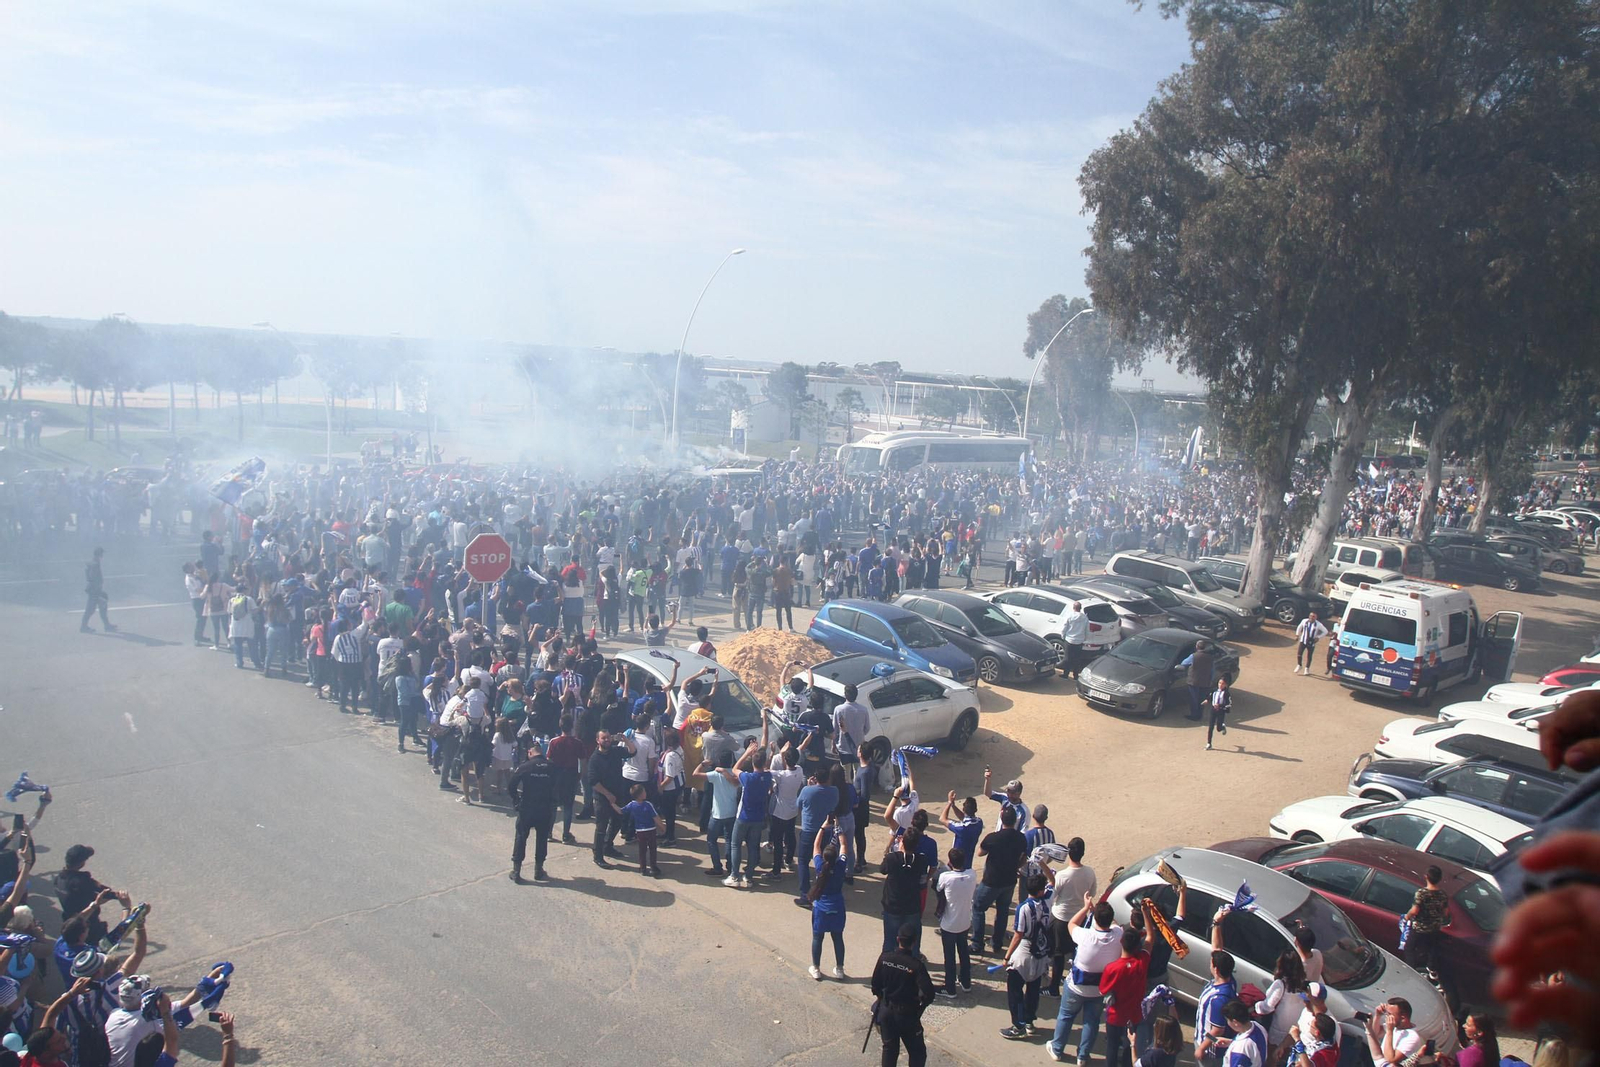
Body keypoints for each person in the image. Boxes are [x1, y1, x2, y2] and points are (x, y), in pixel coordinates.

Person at [1048, 893, 1123, 1064]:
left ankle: (1057, 1048)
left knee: (1066, 1016)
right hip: (1099, 989)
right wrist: (1098, 911)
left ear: (1095, 918)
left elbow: (1072, 923)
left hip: (1076, 986)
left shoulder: (1085, 935)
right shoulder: (1118, 935)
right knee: (1091, 1022)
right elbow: (1116, 925)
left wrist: (1086, 907)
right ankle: (1083, 1056)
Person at [870, 921, 936, 1067]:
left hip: (887, 1012)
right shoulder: (916, 965)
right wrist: (920, 1007)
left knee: (890, 1050)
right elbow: (929, 993)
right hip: (907, 1015)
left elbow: (875, 985)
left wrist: (882, 999)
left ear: (898, 939)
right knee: (918, 1053)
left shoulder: (885, 958)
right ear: (914, 942)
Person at [1000, 873, 1052, 1041]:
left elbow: (1018, 934)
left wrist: (1007, 957)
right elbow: (1053, 882)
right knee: (1033, 989)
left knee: (1015, 991)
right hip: (1041, 952)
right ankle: (1029, 1021)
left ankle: (1018, 1026)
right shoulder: (1048, 902)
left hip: (1024, 953)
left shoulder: (1023, 908)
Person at [970, 804, 1027, 957]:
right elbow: (1024, 858)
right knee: (1002, 912)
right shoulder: (1021, 838)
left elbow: (981, 852)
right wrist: (1016, 866)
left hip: (992, 881)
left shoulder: (993, 838)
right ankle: (997, 943)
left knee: (978, 907)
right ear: (1015, 821)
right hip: (1009, 880)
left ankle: (977, 943)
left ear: (1002, 820)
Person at [1048, 836, 1095, 998]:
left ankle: (1053, 987)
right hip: (1080, 917)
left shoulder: (1062, 875)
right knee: (1075, 951)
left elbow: (1053, 896)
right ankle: (1073, 980)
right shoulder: (1089, 872)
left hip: (1061, 918)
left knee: (1058, 954)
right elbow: (1092, 893)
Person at [1099, 926, 1151, 1067]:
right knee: (1130, 1047)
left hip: (1115, 1015)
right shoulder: (1142, 962)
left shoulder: (1112, 968)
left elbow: (1103, 990)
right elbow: (1150, 938)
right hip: (1134, 1015)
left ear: (1121, 941)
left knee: (1112, 1046)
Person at [508, 740, 557, 883]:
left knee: (521, 837)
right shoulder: (552, 767)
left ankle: (516, 871)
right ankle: (538, 870)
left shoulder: (525, 766)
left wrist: (516, 800)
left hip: (527, 808)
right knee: (542, 839)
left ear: (530, 753)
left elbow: (511, 786)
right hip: (545, 808)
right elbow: (557, 785)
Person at [806, 825, 848, 981]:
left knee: (818, 938)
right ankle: (840, 968)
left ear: (824, 857)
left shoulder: (819, 866)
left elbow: (816, 846)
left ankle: (816, 968)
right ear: (836, 856)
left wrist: (823, 827)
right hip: (837, 907)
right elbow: (844, 845)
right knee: (838, 938)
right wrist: (839, 830)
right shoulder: (841, 866)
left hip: (821, 908)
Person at [933, 847, 975, 997]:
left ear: (950, 862)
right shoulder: (972, 874)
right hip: (964, 922)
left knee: (949, 957)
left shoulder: (946, 877)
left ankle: (950, 988)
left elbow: (938, 888)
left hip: (949, 924)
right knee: (963, 953)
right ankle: (966, 981)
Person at [881, 826, 929, 953]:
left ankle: (888, 965)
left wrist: (897, 850)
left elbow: (883, 869)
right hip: (912, 906)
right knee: (913, 941)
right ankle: (912, 963)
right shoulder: (921, 860)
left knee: (890, 941)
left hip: (893, 906)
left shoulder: (892, 858)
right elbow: (922, 882)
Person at [1401, 866, 1449, 983]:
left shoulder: (1421, 893)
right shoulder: (1442, 894)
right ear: (1440, 879)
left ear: (1426, 877)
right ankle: (1432, 968)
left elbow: (1415, 910)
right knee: (1432, 948)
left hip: (1419, 928)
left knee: (1409, 948)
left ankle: (1411, 972)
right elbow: (1446, 912)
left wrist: (1406, 917)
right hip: (1434, 928)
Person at [1193, 950, 1238, 1066]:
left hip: (1210, 1050)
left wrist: (1202, 1048)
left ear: (1216, 970)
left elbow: (1218, 1030)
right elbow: (1217, 947)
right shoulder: (1231, 982)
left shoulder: (1218, 999)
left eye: (1211, 964)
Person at [614, 783, 664, 877]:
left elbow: (621, 811)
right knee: (652, 849)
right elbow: (655, 817)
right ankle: (653, 867)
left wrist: (612, 804)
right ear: (641, 794)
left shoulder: (632, 805)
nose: (646, 793)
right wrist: (662, 827)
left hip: (640, 831)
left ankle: (643, 868)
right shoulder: (648, 805)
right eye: (644, 791)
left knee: (642, 850)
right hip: (651, 830)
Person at [1362, 999, 1421, 1067]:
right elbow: (1375, 1034)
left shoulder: (1412, 1037)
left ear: (1403, 1018)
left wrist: (1389, 1031)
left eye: (1390, 1014)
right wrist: (1378, 1015)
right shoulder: (1396, 1027)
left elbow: (1390, 1059)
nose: (1387, 1017)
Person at [1220, 999, 1272, 1067]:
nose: (1228, 1023)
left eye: (1227, 1020)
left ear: (1235, 1022)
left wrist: (1235, 1045)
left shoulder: (1239, 1050)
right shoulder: (1258, 1027)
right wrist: (1231, 1042)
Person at [80, 548, 116, 633]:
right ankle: (83, 627)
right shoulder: (95, 564)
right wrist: (97, 589)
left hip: (96, 590)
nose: (102, 556)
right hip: (95, 591)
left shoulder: (93, 562)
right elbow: (92, 577)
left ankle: (107, 625)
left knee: (103, 607)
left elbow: (88, 575)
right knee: (90, 609)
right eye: (102, 554)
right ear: (99, 554)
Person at [1181, 640, 1215, 722]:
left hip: (1194, 681)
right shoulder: (1210, 658)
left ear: (1197, 647)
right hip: (1205, 682)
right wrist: (1211, 680)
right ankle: (1200, 715)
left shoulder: (1193, 656)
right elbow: (1212, 671)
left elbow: (1183, 663)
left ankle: (1194, 715)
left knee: (1194, 699)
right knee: (1202, 699)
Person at [1060, 601, 1088, 679]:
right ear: (1080, 608)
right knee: (1077, 659)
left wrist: (1062, 635)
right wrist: (1085, 638)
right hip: (1079, 641)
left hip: (1070, 640)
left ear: (1073, 608)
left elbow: (1065, 626)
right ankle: (1075, 675)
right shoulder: (1084, 618)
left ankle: (1066, 674)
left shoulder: (1070, 616)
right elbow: (1087, 629)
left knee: (1068, 658)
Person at [1205, 676, 1232, 751]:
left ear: (1226, 685)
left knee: (1218, 728)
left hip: (1221, 711)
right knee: (1210, 727)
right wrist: (1207, 700)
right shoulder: (1214, 690)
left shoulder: (1226, 694)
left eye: (1222, 684)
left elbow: (1229, 704)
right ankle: (1209, 743)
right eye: (1219, 683)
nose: (1220, 685)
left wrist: (1220, 706)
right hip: (1213, 710)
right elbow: (1210, 696)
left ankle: (1222, 727)